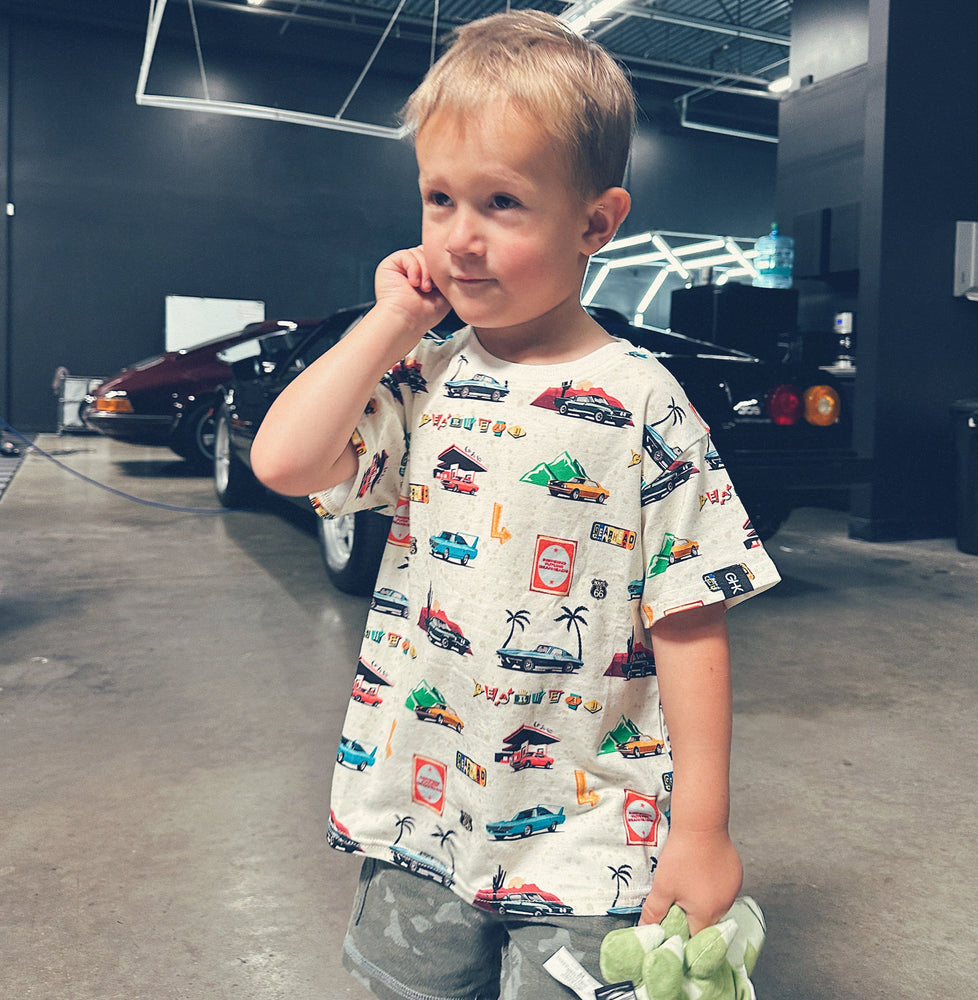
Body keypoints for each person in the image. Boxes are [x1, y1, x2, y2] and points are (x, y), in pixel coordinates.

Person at [250, 10, 780, 999]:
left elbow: (691, 620)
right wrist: (391, 321)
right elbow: (282, 461)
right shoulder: (424, 375)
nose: (459, 238)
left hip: (588, 831)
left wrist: (700, 826)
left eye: (500, 202)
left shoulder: (640, 403)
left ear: (595, 223)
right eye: (438, 198)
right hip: (423, 807)